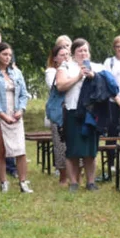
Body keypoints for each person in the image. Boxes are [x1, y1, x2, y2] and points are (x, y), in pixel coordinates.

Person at [0, 42, 33, 193]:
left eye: (10, 55)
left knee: (20, 149)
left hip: (15, 113)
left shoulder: (17, 73)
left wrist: (21, 109)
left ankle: (23, 182)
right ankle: (3, 182)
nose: (7, 58)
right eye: (4, 54)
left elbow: (24, 93)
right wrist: (1, 114)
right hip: (0, 114)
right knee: (1, 150)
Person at [56, 38, 100, 191]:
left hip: (91, 112)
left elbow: (105, 87)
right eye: (80, 50)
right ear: (73, 53)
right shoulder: (66, 66)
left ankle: (90, 182)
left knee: (90, 150)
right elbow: (61, 86)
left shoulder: (96, 67)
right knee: (73, 149)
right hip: (73, 110)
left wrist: (94, 77)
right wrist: (78, 77)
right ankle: (74, 182)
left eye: (85, 50)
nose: (83, 53)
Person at [45, 43, 71, 185]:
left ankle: (75, 174)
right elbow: (57, 87)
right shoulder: (51, 72)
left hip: (72, 110)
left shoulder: (73, 69)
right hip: (58, 111)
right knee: (60, 143)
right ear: (55, 58)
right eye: (62, 55)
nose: (66, 57)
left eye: (67, 54)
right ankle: (62, 176)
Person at [102, 35, 120, 137]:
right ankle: (111, 153)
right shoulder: (109, 62)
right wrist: (117, 98)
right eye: (117, 46)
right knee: (112, 130)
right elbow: (106, 82)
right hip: (113, 101)